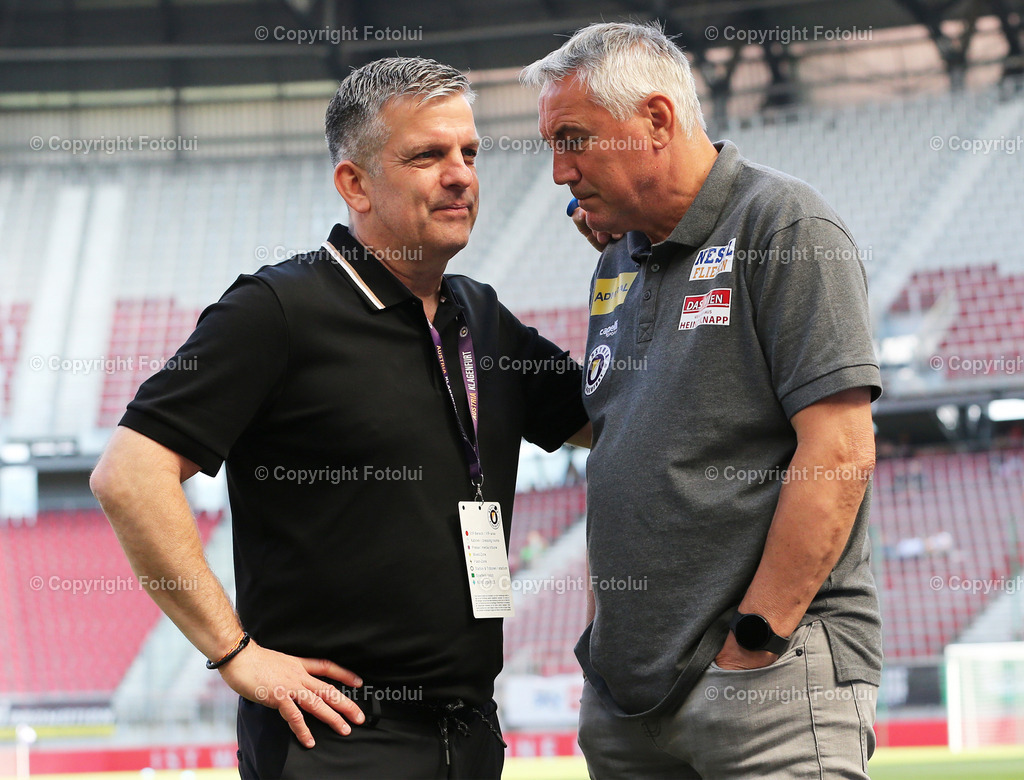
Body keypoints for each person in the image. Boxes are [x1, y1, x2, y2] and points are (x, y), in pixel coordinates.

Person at [91, 56, 589, 779]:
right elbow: (130, 475)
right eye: (427, 155)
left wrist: (638, 260)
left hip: (472, 732)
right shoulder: (276, 310)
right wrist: (236, 655)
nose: (460, 175)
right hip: (340, 741)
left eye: (469, 153)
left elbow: (611, 418)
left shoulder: (480, 315)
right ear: (355, 182)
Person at [522, 22, 882, 779]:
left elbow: (840, 450)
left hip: (765, 687)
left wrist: (756, 639)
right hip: (629, 701)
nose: (559, 172)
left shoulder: (784, 224)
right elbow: (629, 435)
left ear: (655, 120)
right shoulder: (618, 255)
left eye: (575, 139)